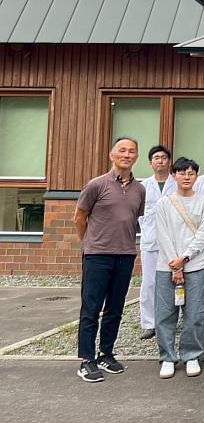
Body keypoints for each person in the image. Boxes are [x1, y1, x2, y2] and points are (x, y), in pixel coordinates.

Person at [74, 137, 146, 383]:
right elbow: (79, 217)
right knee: (91, 308)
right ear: (111, 154)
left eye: (132, 151)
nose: (127, 155)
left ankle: (106, 353)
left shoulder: (140, 189)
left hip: (125, 254)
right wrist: (89, 243)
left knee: (115, 308)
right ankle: (86, 359)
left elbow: (133, 218)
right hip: (97, 255)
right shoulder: (96, 185)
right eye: (122, 150)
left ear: (136, 157)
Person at [153, 158, 204, 379]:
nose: (186, 177)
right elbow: (162, 234)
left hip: (195, 266)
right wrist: (174, 263)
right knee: (165, 313)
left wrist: (184, 259)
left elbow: (203, 235)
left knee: (194, 314)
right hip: (166, 266)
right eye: (181, 173)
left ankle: (191, 355)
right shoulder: (164, 203)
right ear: (173, 175)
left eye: (191, 173)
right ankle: (167, 357)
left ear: (197, 176)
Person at [138, 145, 176, 341]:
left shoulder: (177, 184)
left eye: (164, 157)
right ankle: (149, 323)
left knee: (176, 281)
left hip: (174, 242)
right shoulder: (142, 187)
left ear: (169, 161)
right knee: (149, 283)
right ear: (150, 163)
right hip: (151, 241)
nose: (160, 161)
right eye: (156, 158)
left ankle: (173, 320)